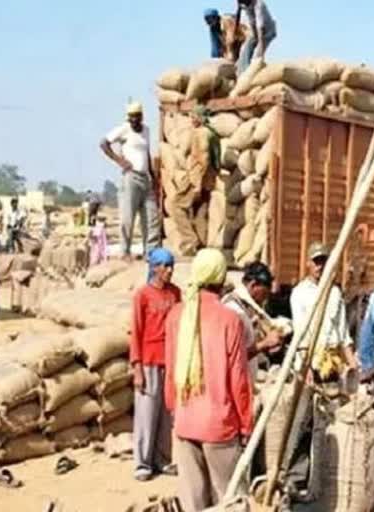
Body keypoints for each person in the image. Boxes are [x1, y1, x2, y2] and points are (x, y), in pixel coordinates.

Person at [164, 249, 253, 511]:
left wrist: (175, 411)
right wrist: (246, 424)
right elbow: (239, 380)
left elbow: (170, 370)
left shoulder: (176, 315)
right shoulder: (229, 320)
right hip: (219, 426)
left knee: (193, 503)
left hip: (184, 422)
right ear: (221, 277)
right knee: (230, 501)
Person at [131, 248, 181, 481]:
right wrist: (137, 367)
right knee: (146, 414)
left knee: (166, 415)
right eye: (166, 266)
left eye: (172, 266)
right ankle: (143, 462)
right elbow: (136, 332)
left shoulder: (175, 294)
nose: (170, 270)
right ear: (154, 268)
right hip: (149, 360)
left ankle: (163, 458)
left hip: (171, 360)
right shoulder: (142, 295)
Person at [100, 101, 162, 261]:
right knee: (128, 217)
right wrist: (119, 160)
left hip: (145, 177)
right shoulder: (124, 129)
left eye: (137, 116)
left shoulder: (146, 130)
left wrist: (153, 177)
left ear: (141, 116)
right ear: (128, 118)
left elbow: (146, 153)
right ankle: (125, 251)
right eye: (131, 117)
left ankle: (151, 252)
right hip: (131, 177)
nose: (134, 120)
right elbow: (104, 143)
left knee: (151, 217)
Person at [290, 242, 357, 379]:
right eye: (316, 262)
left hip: (332, 363)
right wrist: (305, 366)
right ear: (308, 263)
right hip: (310, 362)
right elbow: (300, 333)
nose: (320, 266)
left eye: (323, 262)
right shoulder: (300, 293)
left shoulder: (334, 292)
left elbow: (343, 332)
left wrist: (353, 364)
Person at [165, 105, 218, 256]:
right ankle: (201, 248)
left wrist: (196, 184)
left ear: (199, 118)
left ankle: (189, 241)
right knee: (200, 214)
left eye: (193, 117)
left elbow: (204, 158)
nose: (191, 120)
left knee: (176, 205)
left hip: (196, 178)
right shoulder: (212, 133)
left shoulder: (200, 133)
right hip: (209, 180)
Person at [222, 261, 285, 379]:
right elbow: (233, 356)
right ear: (253, 285)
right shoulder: (235, 310)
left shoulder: (243, 308)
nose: (265, 299)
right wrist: (264, 344)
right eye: (264, 293)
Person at [236, 0, 277, 73]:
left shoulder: (259, 5)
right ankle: (243, 71)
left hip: (267, 31)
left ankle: (256, 71)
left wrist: (260, 44)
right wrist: (254, 37)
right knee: (244, 50)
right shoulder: (246, 6)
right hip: (256, 32)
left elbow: (260, 25)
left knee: (257, 55)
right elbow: (251, 21)